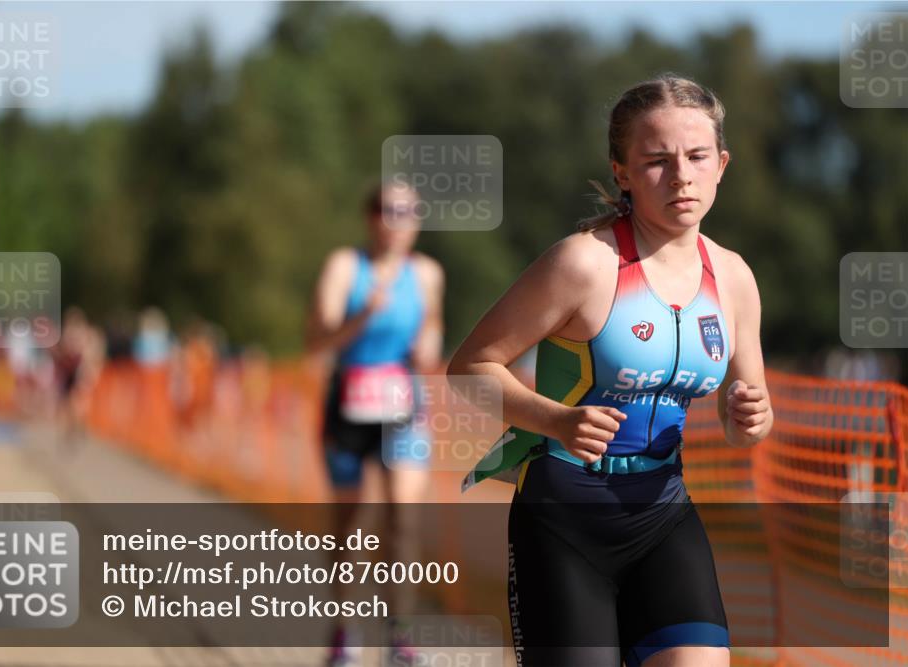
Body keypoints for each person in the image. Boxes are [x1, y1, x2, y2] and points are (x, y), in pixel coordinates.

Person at [449, 74, 774, 667]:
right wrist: (557, 420)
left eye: (698, 156)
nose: (681, 175)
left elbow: (746, 420)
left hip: (664, 511)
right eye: (656, 160)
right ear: (622, 172)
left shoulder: (733, 277)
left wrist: (750, 417)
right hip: (565, 517)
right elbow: (469, 367)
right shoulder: (584, 263)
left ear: (721, 164)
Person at [306, 181, 444, 667]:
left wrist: (429, 343)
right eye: (389, 210)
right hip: (348, 402)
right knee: (349, 530)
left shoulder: (426, 273)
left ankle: (400, 639)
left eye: (409, 212)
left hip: (402, 402)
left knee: (403, 523)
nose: (399, 220)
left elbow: (431, 334)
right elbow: (316, 342)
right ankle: (344, 634)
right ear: (370, 217)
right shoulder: (346, 267)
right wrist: (363, 314)